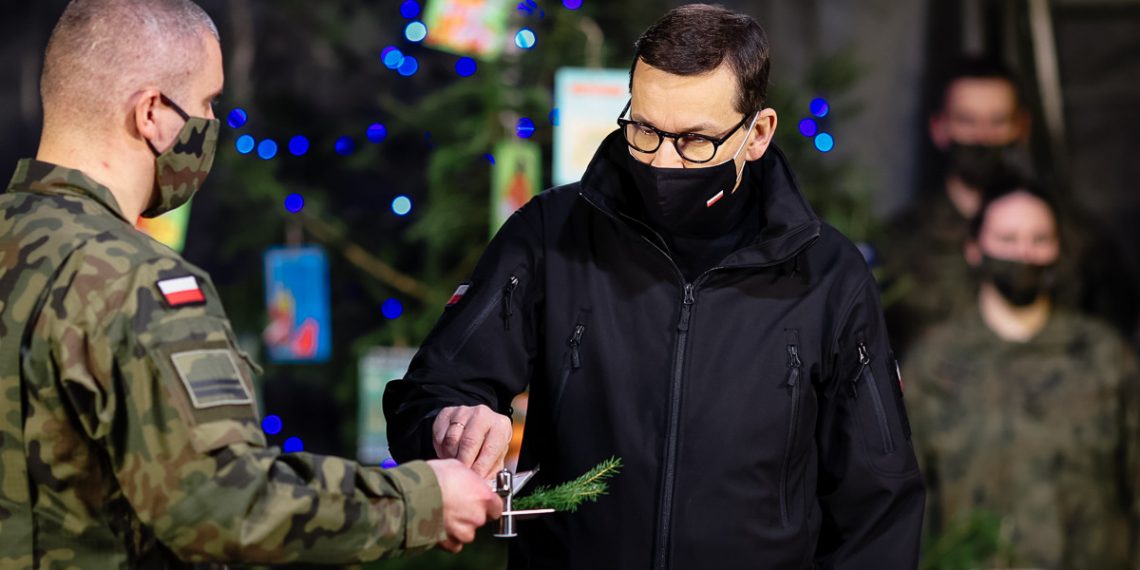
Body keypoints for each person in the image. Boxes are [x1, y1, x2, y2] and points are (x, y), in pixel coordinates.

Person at [384, 5, 924, 569]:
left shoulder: (829, 275)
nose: (662, 162)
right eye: (643, 130)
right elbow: (428, 393)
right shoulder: (548, 235)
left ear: (758, 134)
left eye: (694, 140)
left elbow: (879, 503)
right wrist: (450, 425)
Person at [0, 1, 500, 567]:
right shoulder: (139, 281)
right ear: (151, 114)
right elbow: (222, 501)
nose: (212, 124)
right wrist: (422, 499)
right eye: (208, 102)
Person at [903, 179, 1140, 568]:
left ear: (1058, 250)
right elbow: (910, 501)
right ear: (975, 249)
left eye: (1039, 239)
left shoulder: (1104, 356)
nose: (1023, 253)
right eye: (1008, 239)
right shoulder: (934, 364)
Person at [880, 56, 1138, 356]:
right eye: (967, 121)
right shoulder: (897, 246)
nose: (982, 137)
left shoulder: (1079, 240)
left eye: (998, 121)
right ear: (939, 127)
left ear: (1022, 127)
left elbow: (1115, 340)